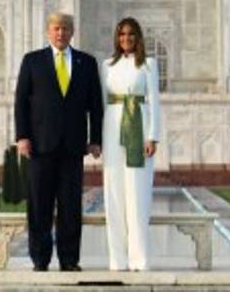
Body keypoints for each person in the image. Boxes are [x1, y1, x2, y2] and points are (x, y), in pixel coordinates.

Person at [14, 12, 103, 272]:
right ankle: (40, 260)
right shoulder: (33, 61)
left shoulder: (86, 62)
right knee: (40, 205)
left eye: (65, 28)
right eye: (56, 28)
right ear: (48, 31)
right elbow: (21, 102)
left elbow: (95, 106)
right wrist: (22, 136)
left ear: (72, 31)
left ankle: (69, 260)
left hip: (73, 146)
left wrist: (95, 139)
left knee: (70, 206)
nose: (60, 33)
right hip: (40, 145)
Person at [100, 17, 161, 271]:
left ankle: (139, 259)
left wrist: (152, 136)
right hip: (113, 128)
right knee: (114, 193)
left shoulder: (148, 65)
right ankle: (118, 259)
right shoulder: (107, 65)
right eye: (122, 34)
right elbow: (102, 103)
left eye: (131, 34)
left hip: (138, 125)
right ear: (117, 37)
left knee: (138, 195)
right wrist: (97, 138)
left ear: (138, 38)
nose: (126, 38)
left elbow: (154, 101)